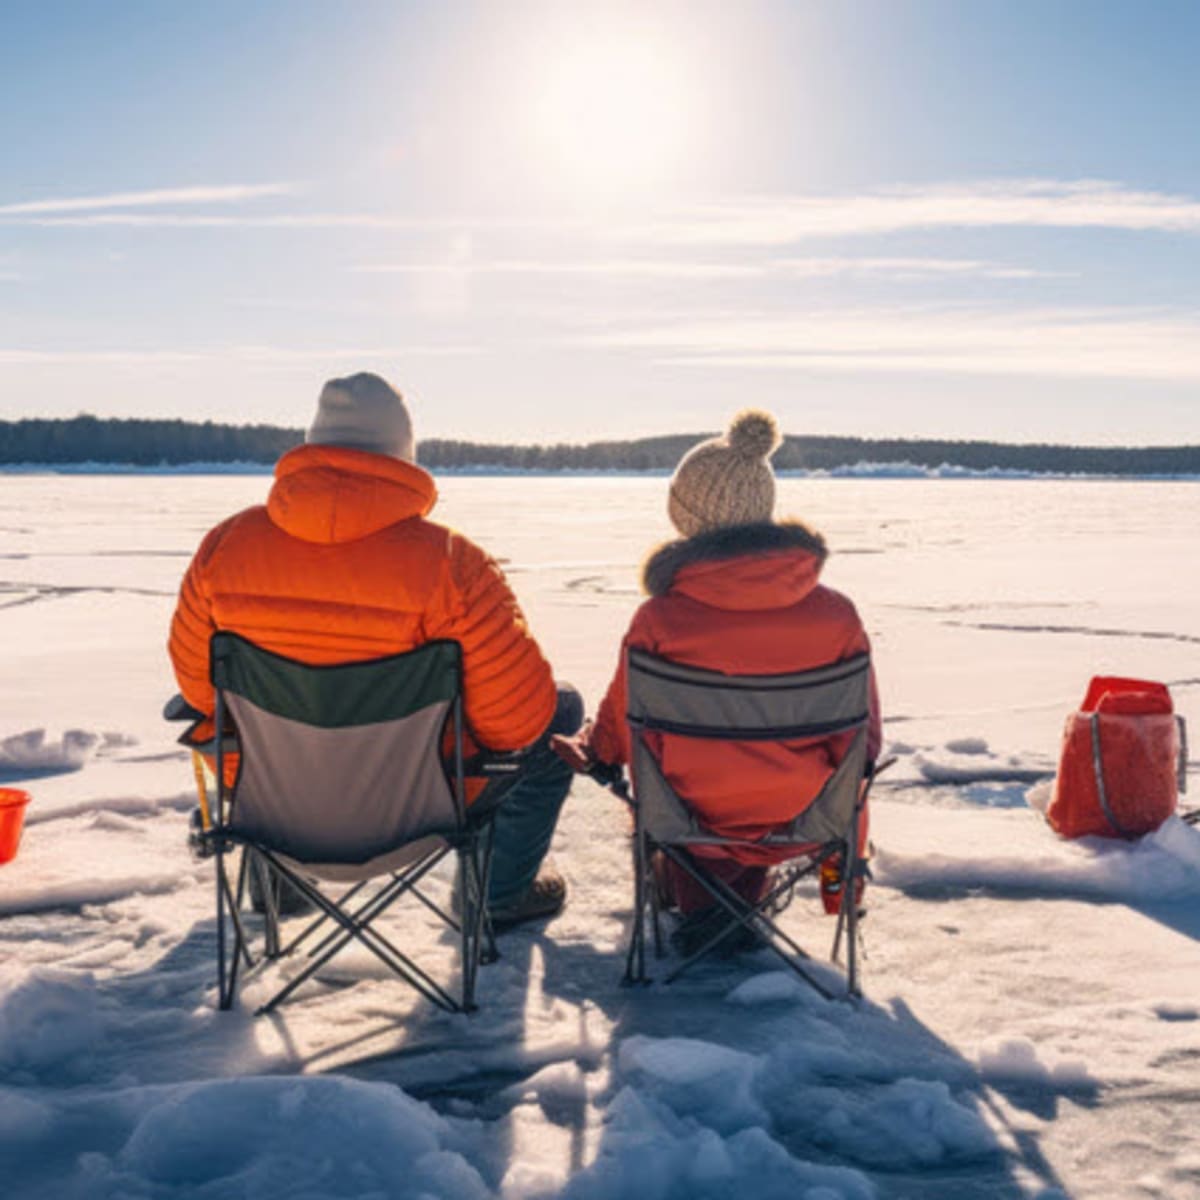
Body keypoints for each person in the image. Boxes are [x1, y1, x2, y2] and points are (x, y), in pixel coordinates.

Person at [168, 372, 579, 929]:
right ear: (402, 456)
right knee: (561, 711)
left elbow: (201, 691)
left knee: (244, 734)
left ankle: (277, 886)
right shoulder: (454, 566)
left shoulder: (226, 547)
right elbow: (515, 723)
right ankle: (497, 894)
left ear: (311, 446)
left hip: (269, 809)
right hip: (419, 811)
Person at [552, 410, 881, 953]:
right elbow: (862, 741)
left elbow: (619, 726)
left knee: (677, 792)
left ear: (685, 519)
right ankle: (734, 904)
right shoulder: (837, 616)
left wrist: (596, 750)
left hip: (687, 814)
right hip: (806, 811)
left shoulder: (659, 620)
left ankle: (705, 904)